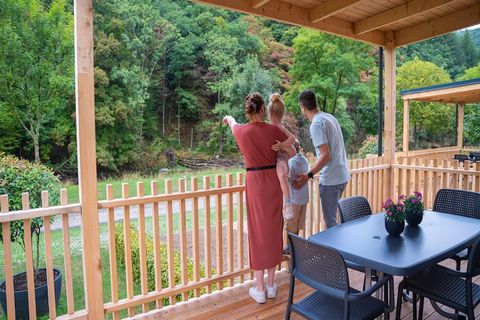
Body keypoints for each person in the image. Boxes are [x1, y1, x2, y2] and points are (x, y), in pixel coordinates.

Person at [223, 93, 290, 304]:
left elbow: (232, 123)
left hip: (254, 182)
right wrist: (280, 149)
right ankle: (271, 285)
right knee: (273, 230)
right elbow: (293, 143)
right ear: (263, 109)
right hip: (272, 182)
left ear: (248, 111)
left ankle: (259, 288)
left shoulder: (242, 131)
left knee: (257, 232)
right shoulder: (274, 129)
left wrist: (228, 119)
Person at [293, 90, 350, 229]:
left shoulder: (316, 124)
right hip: (342, 176)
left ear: (303, 107)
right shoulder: (329, 117)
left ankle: (333, 251)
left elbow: (326, 156)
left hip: (331, 180)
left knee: (330, 223)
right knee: (333, 221)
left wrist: (308, 175)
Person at [268, 93, 296, 220]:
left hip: (282, 157)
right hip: (277, 158)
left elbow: (292, 139)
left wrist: (281, 146)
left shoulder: (279, 126)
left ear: (270, 114)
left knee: (280, 171)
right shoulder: (269, 127)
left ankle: (288, 203)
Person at [283, 140, 309, 254]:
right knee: (297, 225)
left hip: (294, 199)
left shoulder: (291, 162)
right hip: (304, 198)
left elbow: (288, 179)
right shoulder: (304, 160)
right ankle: (296, 247)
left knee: (290, 226)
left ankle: (290, 248)